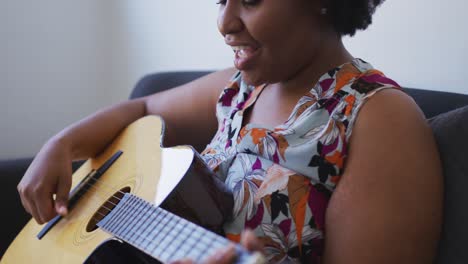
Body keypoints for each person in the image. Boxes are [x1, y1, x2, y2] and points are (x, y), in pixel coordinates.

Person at [17, 0, 443, 263]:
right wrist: (62, 144)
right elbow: (144, 109)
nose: (225, 22)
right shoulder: (242, 87)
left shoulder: (377, 118)